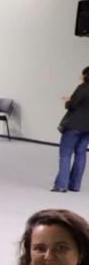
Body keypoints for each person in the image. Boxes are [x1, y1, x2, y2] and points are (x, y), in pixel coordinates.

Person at [52, 65, 89, 193]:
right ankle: (75, 185)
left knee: (65, 154)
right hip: (87, 128)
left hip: (74, 126)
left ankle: (61, 185)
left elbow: (73, 105)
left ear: (85, 75)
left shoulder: (82, 87)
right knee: (81, 154)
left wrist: (67, 101)